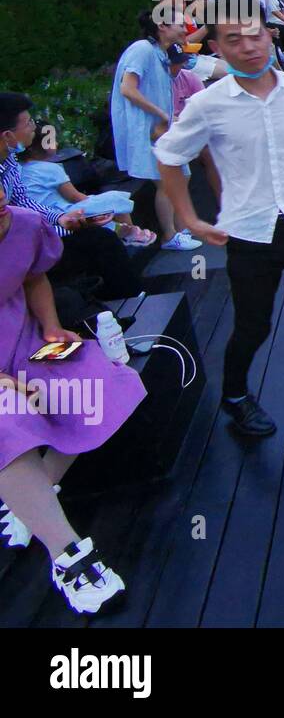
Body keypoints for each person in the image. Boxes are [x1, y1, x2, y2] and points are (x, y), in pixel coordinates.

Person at [154, 15, 284, 438]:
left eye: (256, 35)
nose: (249, 46)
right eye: (234, 39)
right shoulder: (208, 103)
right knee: (253, 324)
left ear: (270, 36)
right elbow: (168, 154)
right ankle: (235, 396)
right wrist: (191, 218)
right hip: (250, 232)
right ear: (217, 47)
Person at [0, 183, 146, 614]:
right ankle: (69, 556)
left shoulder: (24, 224)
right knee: (6, 422)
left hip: (19, 338)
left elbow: (34, 276)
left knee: (94, 386)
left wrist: (49, 327)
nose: (2, 211)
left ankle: (29, 501)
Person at [111, 6, 201, 250]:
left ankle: (180, 231)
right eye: (180, 25)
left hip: (160, 126)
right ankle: (170, 236)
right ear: (162, 26)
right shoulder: (141, 50)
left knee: (182, 174)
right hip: (149, 127)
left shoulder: (159, 53)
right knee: (167, 179)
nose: (185, 30)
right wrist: (161, 115)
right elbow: (127, 88)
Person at [17, 122, 150, 246]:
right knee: (114, 198)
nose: (56, 143)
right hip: (63, 213)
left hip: (43, 216)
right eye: (51, 141)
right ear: (35, 149)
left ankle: (123, 232)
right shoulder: (50, 169)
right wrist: (97, 203)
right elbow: (75, 197)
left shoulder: (19, 169)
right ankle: (131, 236)